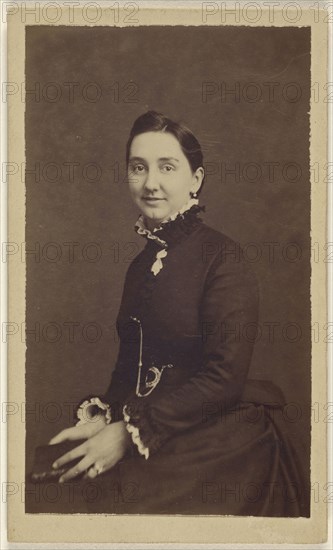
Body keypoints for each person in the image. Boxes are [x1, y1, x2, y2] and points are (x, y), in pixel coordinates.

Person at [38, 111, 308, 516]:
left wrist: (127, 436)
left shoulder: (223, 259)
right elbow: (129, 368)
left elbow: (223, 379)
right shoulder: (140, 266)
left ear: (195, 180)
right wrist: (102, 419)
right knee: (41, 479)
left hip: (220, 437)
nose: (151, 183)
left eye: (167, 167)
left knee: (106, 509)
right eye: (138, 167)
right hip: (151, 426)